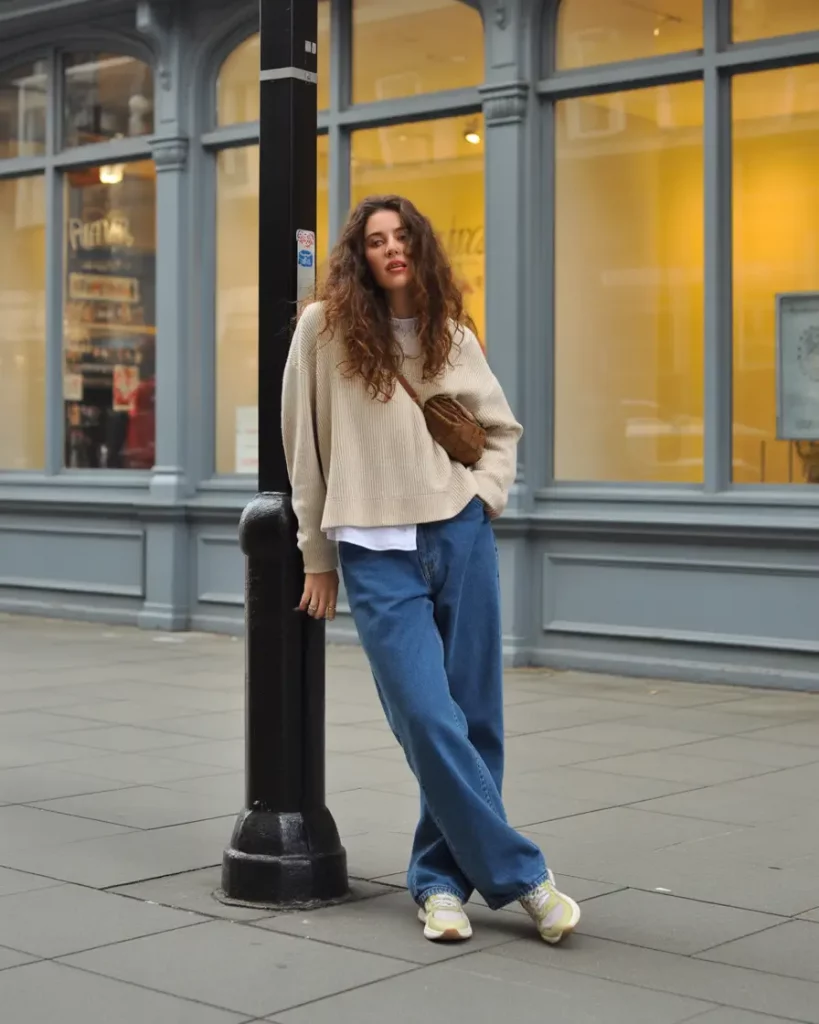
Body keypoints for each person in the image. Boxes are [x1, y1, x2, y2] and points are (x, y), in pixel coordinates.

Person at [282, 195, 580, 945]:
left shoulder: (450, 334)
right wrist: (315, 556)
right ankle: (521, 877)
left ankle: (439, 884)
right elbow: (303, 450)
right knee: (424, 714)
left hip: (457, 534)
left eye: (402, 236)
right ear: (359, 255)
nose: (391, 249)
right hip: (374, 550)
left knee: (475, 717)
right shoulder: (323, 329)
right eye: (376, 240)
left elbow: (500, 429)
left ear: (419, 246)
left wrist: (480, 502)